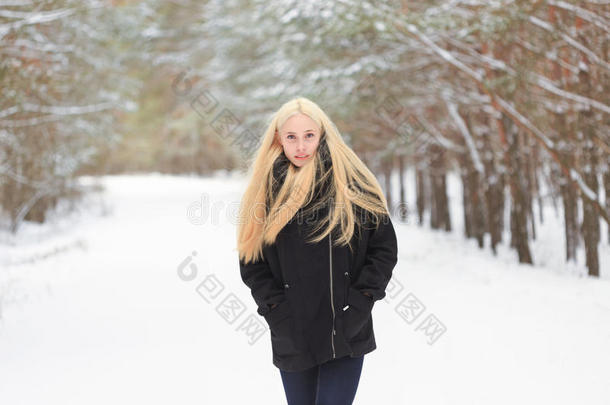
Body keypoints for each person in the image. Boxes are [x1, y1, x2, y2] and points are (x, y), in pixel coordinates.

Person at [236, 97, 398, 405]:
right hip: (293, 332)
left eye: (309, 135)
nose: (301, 146)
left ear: (322, 135)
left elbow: (384, 248)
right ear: (278, 139)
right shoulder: (264, 191)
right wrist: (277, 312)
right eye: (292, 137)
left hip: (346, 328)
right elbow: (251, 260)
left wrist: (362, 300)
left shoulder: (353, 184)